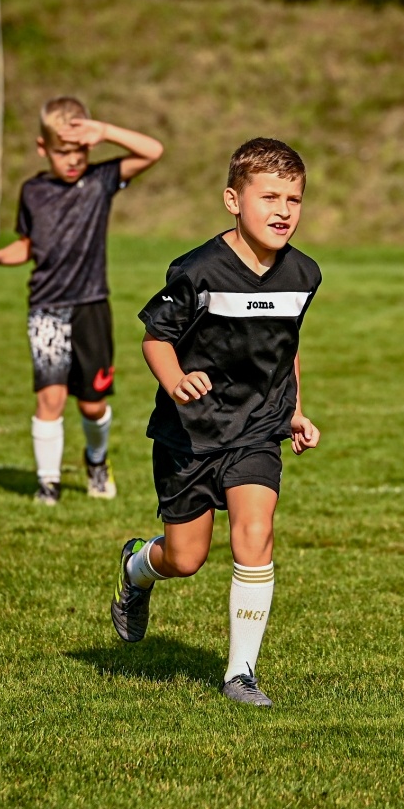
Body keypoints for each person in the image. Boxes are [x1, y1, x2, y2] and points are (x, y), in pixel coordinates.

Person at [110, 138, 323, 708]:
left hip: (258, 426)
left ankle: (241, 674)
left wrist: (296, 410)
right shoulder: (198, 269)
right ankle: (136, 568)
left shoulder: (304, 273)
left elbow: (286, 348)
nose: (283, 211)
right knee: (186, 558)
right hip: (192, 431)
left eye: (295, 199)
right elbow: (156, 339)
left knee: (255, 532)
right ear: (233, 200)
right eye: (270, 197)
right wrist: (176, 380)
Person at [0, 97, 163, 504]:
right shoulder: (33, 192)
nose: (72, 160)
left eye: (79, 151)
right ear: (43, 148)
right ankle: (48, 484)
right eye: (62, 152)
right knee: (50, 397)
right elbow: (28, 246)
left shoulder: (101, 180)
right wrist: (0, 257)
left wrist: (105, 131)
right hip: (46, 308)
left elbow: (153, 150)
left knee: (92, 406)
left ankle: (96, 461)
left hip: (91, 306)